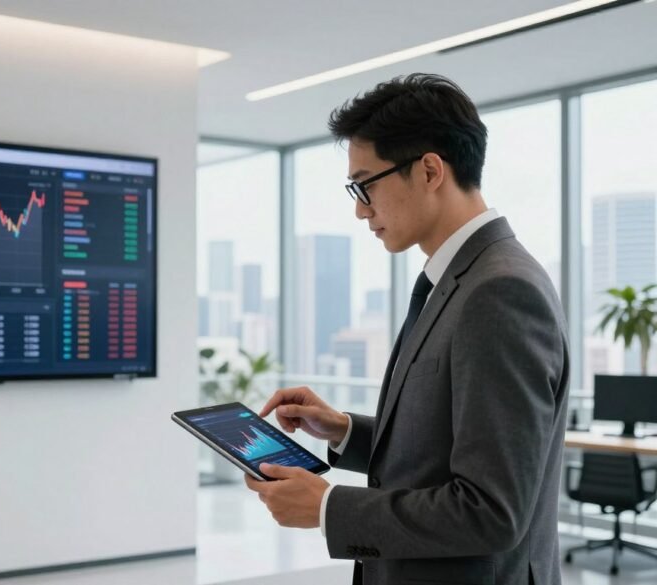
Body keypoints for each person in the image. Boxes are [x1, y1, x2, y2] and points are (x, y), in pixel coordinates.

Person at [244, 73, 569, 585]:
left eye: (365, 184)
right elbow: (447, 448)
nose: (359, 209)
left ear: (430, 171)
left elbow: (491, 510)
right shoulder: (460, 278)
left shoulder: (499, 292)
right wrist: (345, 429)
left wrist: (328, 507)